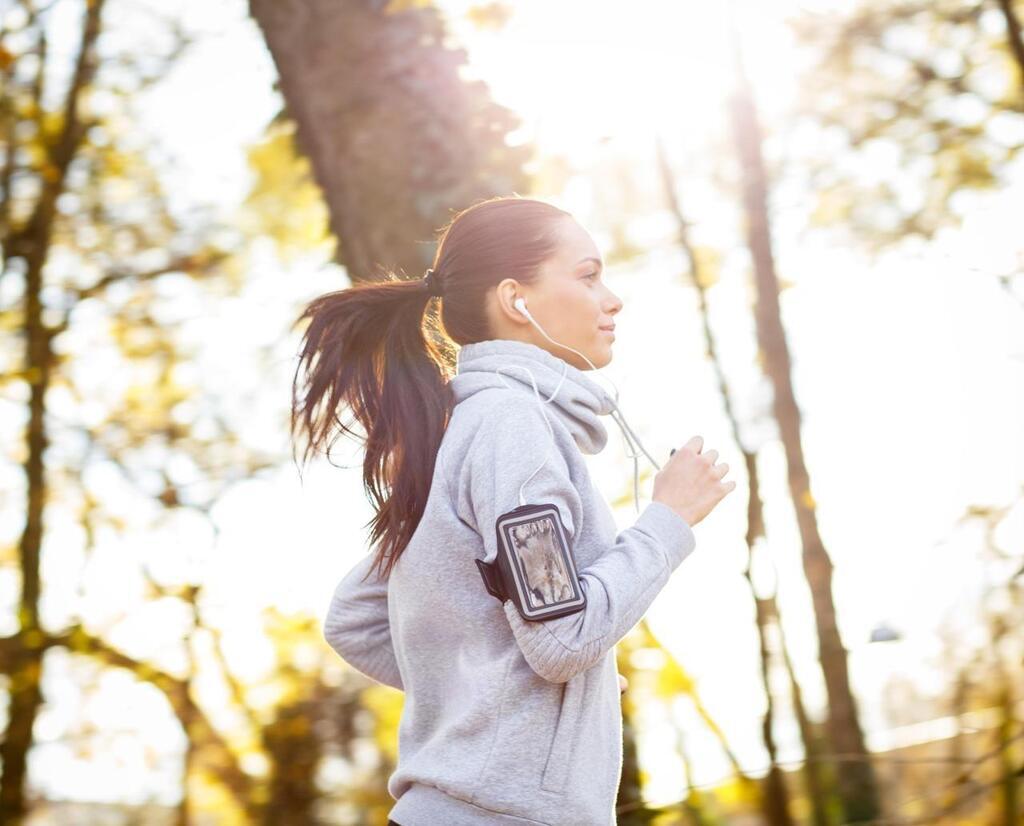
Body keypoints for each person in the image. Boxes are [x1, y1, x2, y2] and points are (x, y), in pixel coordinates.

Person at [291, 195, 735, 825]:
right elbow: (560, 639)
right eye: (587, 275)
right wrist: (669, 518)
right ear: (516, 300)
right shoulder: (511, 428)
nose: (613, 298)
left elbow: (354, 616)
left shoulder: (469, 429)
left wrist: (521, 700)